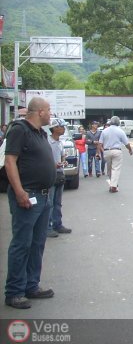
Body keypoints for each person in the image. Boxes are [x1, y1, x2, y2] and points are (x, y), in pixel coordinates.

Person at [3, 97, 57, 309]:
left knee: (37, 244)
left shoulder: (39, 132)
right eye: (49, 110)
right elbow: (10, 162)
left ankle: (31, 285)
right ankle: (14, 292)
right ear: (40, 111)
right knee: (22, 244)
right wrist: (19, 191)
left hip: (44, 197)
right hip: (28, 195)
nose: (50, 114)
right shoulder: (20, 130)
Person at [47, 118, 72, 238]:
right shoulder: (47, 142)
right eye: (61, 127)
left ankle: (58, 224)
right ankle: (48, 227)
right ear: (55, 128)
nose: (63, 129)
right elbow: (43, 160)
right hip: (50, 175)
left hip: (60, 174)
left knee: (57, 203)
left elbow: (62, 157)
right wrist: (54, 165)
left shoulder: (60, 142)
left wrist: (63, 162)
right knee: (49, 203)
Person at [97, 116, 133, 193]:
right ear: (118, 123)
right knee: (116, 168)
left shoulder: (104, 131)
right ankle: (113, 186)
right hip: (117, 151)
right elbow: (126, 143)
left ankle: (113, 184)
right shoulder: (120, 131)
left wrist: (98, 153)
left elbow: (100, 143)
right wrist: (130, 150)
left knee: (109, 169)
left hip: (106, 152)